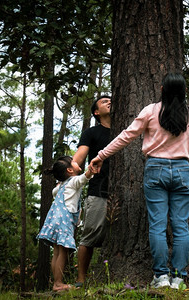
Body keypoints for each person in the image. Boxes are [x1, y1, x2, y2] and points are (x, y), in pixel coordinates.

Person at [89, 72, 189, 289]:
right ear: (184, 92)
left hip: (155, 169)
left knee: (158, 226)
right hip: (181, 170)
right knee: (180, 226)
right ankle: (178, 278)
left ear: (162, 90)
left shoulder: (151, 111)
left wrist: (101, 155)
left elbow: (126, 136)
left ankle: (161, 277)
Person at [37, 156, 94, 292]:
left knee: (56, 252)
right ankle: (58, 283)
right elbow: (83, 178)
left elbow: (53, 192)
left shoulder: (61, 186)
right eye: (73, 162)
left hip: (54, 219)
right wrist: (91, 170)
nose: (77, 161)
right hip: (64, 219)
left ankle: (56, 283)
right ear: (69, 170)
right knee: (63, 251)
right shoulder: (73, 181)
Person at [72, 95, 111, 288]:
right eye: (104, 102)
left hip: (126, 191)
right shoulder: (91, 132)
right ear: (96, 112)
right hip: (99, 190)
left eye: (110, 100)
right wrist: (71, 168)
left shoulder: (126, 131)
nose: (109, 102)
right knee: (89, 235)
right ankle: (81, 280)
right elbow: (79, 156)